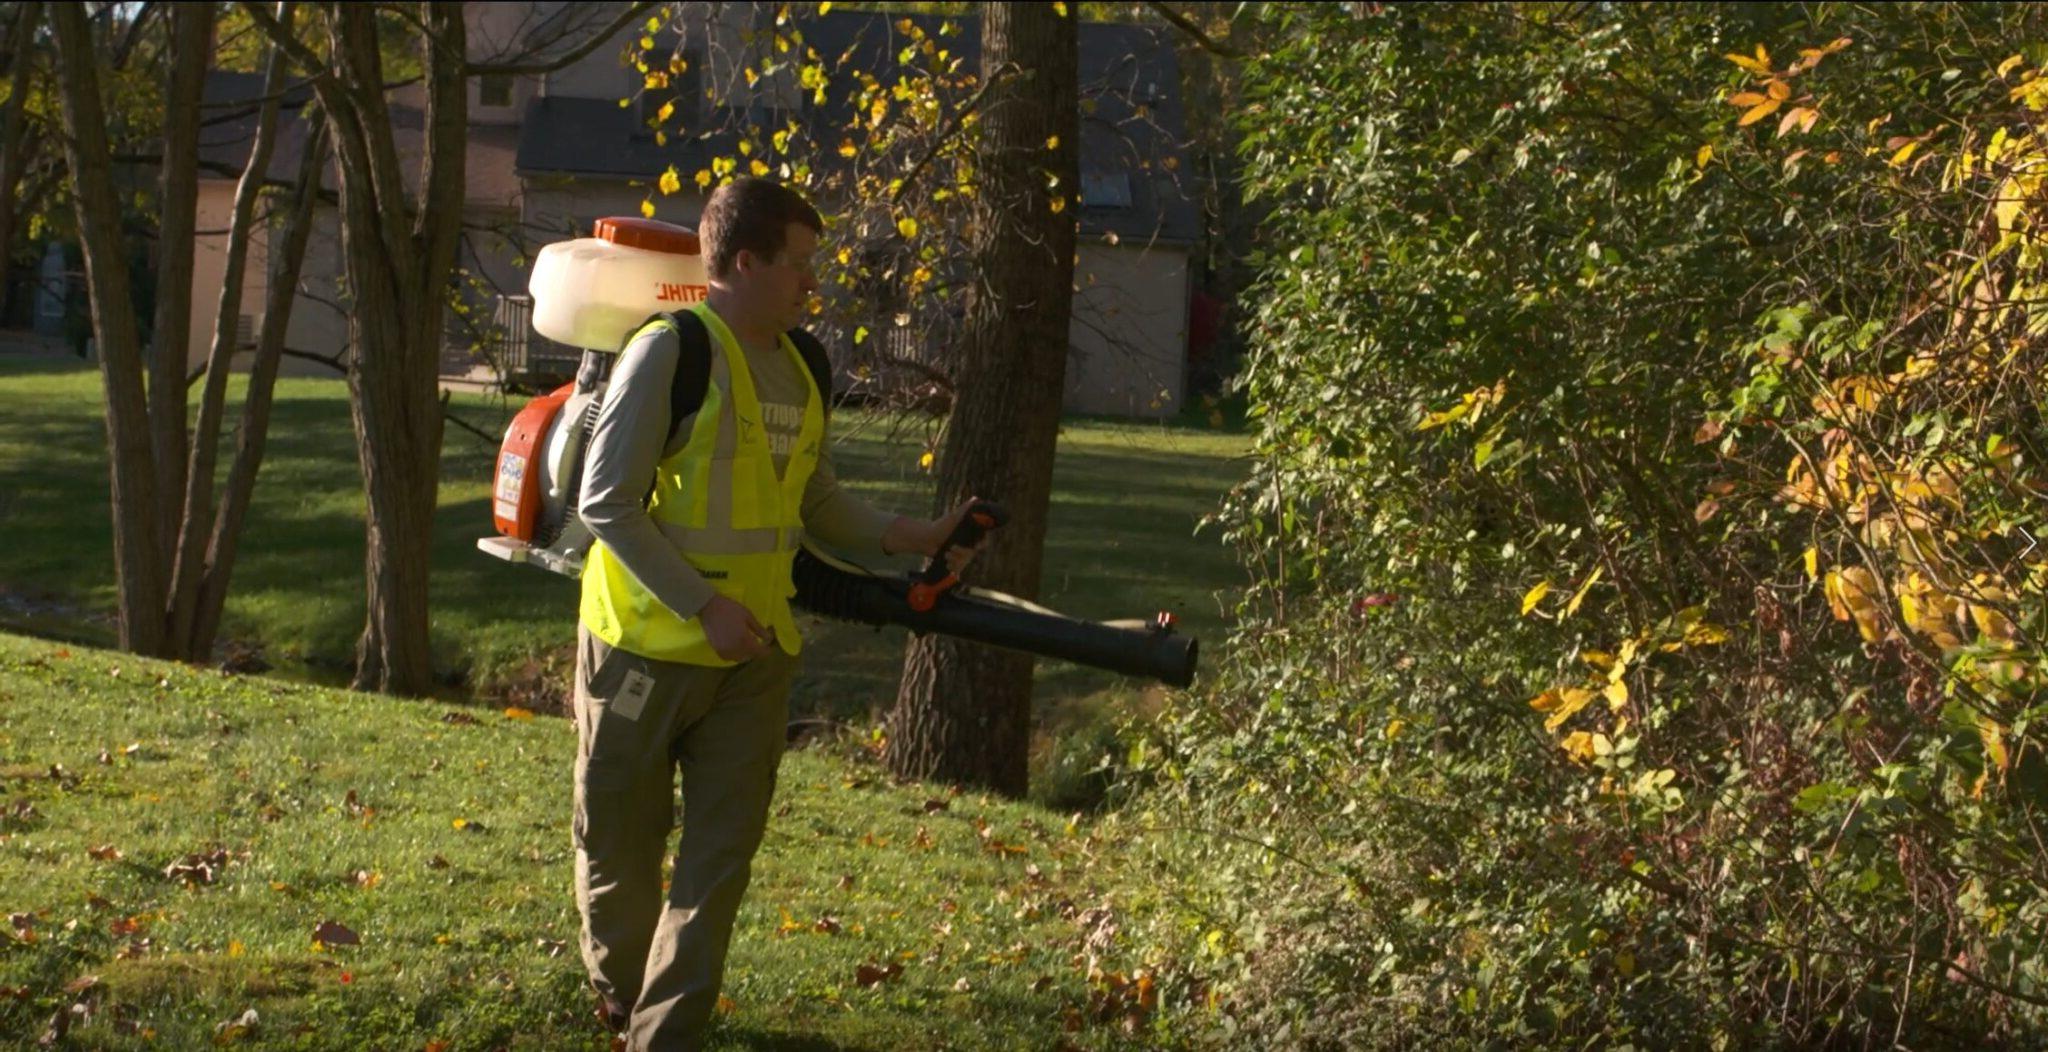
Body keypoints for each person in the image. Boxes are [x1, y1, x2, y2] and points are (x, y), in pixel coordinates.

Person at [570, 177, 984, 1050]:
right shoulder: (671, 352)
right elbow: (604, 501)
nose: (811, 283)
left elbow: (817, 500)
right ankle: (621, 990)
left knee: (717, 865)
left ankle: (663, 1036)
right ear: (744, 262)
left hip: (753, 661)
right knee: (620, 853)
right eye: (798, 264)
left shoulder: (805, 365)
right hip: (642, 651)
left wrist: (919, 534)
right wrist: (702, 604)